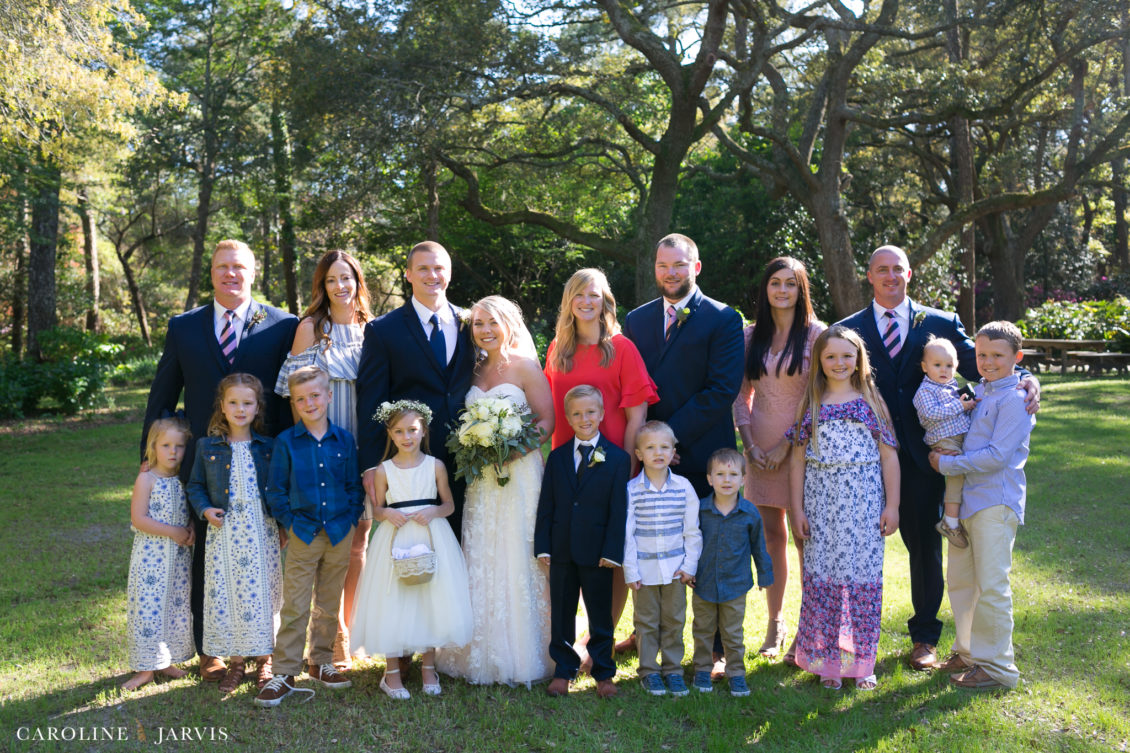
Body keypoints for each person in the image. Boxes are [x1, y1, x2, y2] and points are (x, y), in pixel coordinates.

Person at [837, 244, 1038, 672]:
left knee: (924, 545)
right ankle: (847, 637)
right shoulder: (848, 329)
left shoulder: (940, 322)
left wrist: (1026, 377)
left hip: (925, 456)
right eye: (881, 269)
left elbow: (986, 364)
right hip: (862, 458)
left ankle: (925, 636)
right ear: (869, 276)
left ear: (909, 274)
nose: (890, 276)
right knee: (852, 545)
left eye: (898, 269)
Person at [141, 239, 296, 678]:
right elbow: (163, 393)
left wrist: (288, 460)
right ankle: (210, 648)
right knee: (202, 550)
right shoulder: (184, 326)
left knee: (263, 555)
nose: (231, 273)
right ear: (211, 272)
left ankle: (262, 648)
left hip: (261, 460)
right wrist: (148, 456)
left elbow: (287, 399)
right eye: (222, 266)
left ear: (253, 272)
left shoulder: (282, 325)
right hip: (200, 458)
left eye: (239, 266)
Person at [437, 296, 555, 687]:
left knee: (518, 551)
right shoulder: (470, 370)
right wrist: (478, 448)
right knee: (482, 552)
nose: (485, 330)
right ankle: (476, 652)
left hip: (519, 475)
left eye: (492, 323)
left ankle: (526, 652)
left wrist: (511, 452)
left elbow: (547, 421)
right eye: (478, 324)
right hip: (481, 480)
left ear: (508, 324)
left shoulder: (525, 367)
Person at [543, 268, 658, 657]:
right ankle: (571, 638)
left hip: (611, 468)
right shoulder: (557, 349)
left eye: (593, 295)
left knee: (612, 554)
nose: (586, 302)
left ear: (605, 300)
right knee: (571, 550)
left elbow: (637, 416)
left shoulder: (622, 349)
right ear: (569, 302)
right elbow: (549, 410)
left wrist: (627, 469)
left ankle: (598, 642)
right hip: (567, 468)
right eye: (578, 295)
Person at [786, 326, 901, 690]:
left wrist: (893, 505)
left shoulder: (871, 401)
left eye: (847, 356)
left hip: (863, 505)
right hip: (821, 506)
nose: (839, 363)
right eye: (831, 356)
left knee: (862, 579)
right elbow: (797, 462)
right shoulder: (812, 403)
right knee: (825, 580)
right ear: (819, 361)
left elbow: (889, 456)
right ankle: (829, 663)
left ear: (858, 359)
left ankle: (863, 663)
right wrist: (796, 510)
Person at [276, 250, 373, 669]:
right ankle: (329, 637)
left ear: (357, 282)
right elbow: (295, 395)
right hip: (321, 448)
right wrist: (304, 450)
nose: (340, 286)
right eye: (331, 279)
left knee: (357, 541)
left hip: (362, 446)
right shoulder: (310, 329)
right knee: (321, 542)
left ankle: (348, 628)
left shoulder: (373, 329)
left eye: (346, 278)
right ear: (322, 285)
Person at [930, 321, 1035, 690]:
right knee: (961, 580)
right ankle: (969, 651)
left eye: (997, 356)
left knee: (991, 584)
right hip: (965, 503)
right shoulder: (979, 392)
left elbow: (996, 456)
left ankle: (997, 668)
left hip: (995, 501)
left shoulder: (1017, 399)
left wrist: (947, 464)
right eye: (981, 355)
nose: (988, 362)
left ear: (1017, 357)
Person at [732, 256, 825, 661]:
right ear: (765, 288)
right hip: (759, 450)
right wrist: (750, 444)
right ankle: (775, 623)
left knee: (805, 538)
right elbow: (740, 395)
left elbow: (820, 396)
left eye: (790, 283)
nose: (782, 290)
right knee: (771, 537)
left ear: (801, 290)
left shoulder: (817, 336)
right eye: (775, 283)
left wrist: (789, 443)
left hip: (805, 449)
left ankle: (808, 629)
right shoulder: (750, 336)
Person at [257, 367, 364, 707]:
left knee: (329, 603)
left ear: (329, 396)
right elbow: (275, 492)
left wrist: (350, 520)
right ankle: (284, 672)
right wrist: (290, 523)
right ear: (293, 403)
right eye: (301, 399)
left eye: (315, 395)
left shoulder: (344, 440)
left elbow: (354, 487)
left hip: (339, 531)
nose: (309, 403)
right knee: (295, 605)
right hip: (303, 533)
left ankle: (321, 662)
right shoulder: (286, 442)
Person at [351, 400, 472, 699]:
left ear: (423, 431)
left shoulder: (435, 466)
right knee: (393, 600)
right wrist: (387, 514)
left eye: (412, 430)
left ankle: (428, 668)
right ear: (390, 435)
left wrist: (433, 511)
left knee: (430, 598)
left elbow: (449, 505)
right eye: (399, 431)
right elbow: (378, 509)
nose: (406, 437)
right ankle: (391, 674)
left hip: (430, 536)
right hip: (396, 537)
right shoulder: (384, 469)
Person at [356, 241, 474, 541]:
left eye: (439, 268)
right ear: (408, 274)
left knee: (468, 541)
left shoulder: (472, 324)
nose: (432, 275)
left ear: (449, 273)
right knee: (418, 545)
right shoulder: (383, 330)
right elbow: (371, 400)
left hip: (470, 456)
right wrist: (370, 464)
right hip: (412, 458)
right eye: (423, 268)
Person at [185, 374, 283, 694]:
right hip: (225, 533)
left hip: (261, 531)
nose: (240, 409)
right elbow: (196, 485)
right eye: (233, 402)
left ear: (258, 407)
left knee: (262, 594)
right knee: (229, 594)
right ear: (222, 407)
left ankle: (266, 659)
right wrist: (204, 510)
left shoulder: (268, 447)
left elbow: (280, 488)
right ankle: (237, 662)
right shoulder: (207, 446)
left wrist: (283, 525)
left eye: (247, 403)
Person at [535, 385, 631, 699]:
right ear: (567, 417)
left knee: (600, 615)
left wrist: (612, 551)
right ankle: (563, 670)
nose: (584, 418)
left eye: (590, 412)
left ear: (601, 414)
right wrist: (543, 545)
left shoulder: (618, 459)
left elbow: (619, 510)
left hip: (598, 552)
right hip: (561, 549)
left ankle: (603, 672)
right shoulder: (557, 457)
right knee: (562, 613)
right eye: (576, 413)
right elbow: (547, 504)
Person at [623, 420, 701, 697]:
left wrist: (689, 567)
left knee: (674, 620)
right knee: (645, 622)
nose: (659, 453)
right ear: (639, 454)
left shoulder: (683, 487)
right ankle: (649, 671)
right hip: (644, 572)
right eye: (651, 448)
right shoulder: (632, 490)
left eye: (665, 447)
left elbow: (692, 532)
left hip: (675, 572)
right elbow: (627, 535)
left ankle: (673, 670)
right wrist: (631, 571)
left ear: (673, 451)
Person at [691, 448, 774, 697]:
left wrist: (764, 575)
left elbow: (759, 546)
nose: (726, 480)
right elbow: (690, 542)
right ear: (709, 479)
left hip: (736, 585)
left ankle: (736, 673)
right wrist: (688, 570)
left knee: (733, 633)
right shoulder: (700, 510)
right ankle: (702, 670)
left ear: (743, 479)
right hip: (703, 583)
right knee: (702, 629)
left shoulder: (749, 513)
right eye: (720, 474)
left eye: (733, 474)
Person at [123, 418, 195, 692]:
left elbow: (189, 512)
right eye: (165, 445)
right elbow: (139, 519)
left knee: (174, 608)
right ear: (153, 446)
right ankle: (145, 668)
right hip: (151, 559)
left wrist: (190, 528)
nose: (173, 451)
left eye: (179, 446)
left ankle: (165, 660)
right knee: (149, 610)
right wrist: (173, 531)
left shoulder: (183, 480)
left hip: (178, 560)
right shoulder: (147, 479)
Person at [913, 337, 975, 548]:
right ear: (925, 367)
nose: (944, 370)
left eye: (949, 365)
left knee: (966, 474)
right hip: (944, 440)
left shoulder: (952, 387)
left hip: (959, 438)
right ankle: (949, 522)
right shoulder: (925, 391)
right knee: (957, 474)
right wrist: (960, 406)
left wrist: (970, 405)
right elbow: (930, 414)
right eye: (937, 365)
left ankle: (960, 516)